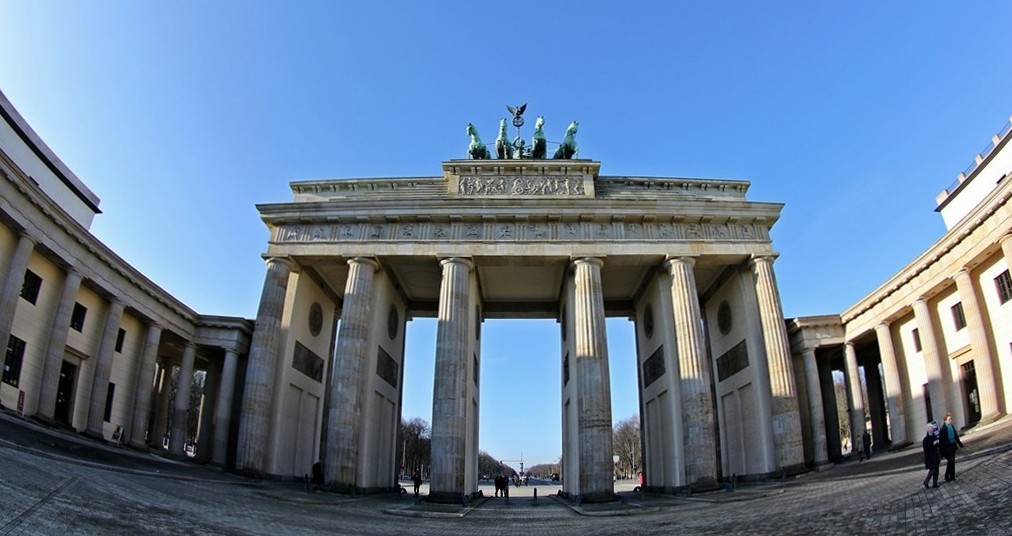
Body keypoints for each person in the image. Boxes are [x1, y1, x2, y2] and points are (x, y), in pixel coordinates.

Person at [938, 412, 965, 482]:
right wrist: (941, 452)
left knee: (953, 461)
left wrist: (959, 443)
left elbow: (955, 435)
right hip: (947, 447)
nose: (950, 420)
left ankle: (952, 476)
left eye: (951, 419)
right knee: (950, 460)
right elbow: (941, 441)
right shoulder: (943, 429)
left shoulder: (951, 426)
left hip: (953, 445)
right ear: (945, 420)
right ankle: (947, 475)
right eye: (949, 419)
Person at [922, 422, 941, 489]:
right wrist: (933, 443)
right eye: (931, 427)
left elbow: (938, 445)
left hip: (935, 455)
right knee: (932, 470)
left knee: (937, 469)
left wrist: (938, 442)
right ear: (928, 429)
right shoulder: (925, 439)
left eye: (932, 427)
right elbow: (926, 448)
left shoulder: (934, 436)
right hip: (930, 457)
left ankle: (935, 483)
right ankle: (926, 481)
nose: (933, 428)